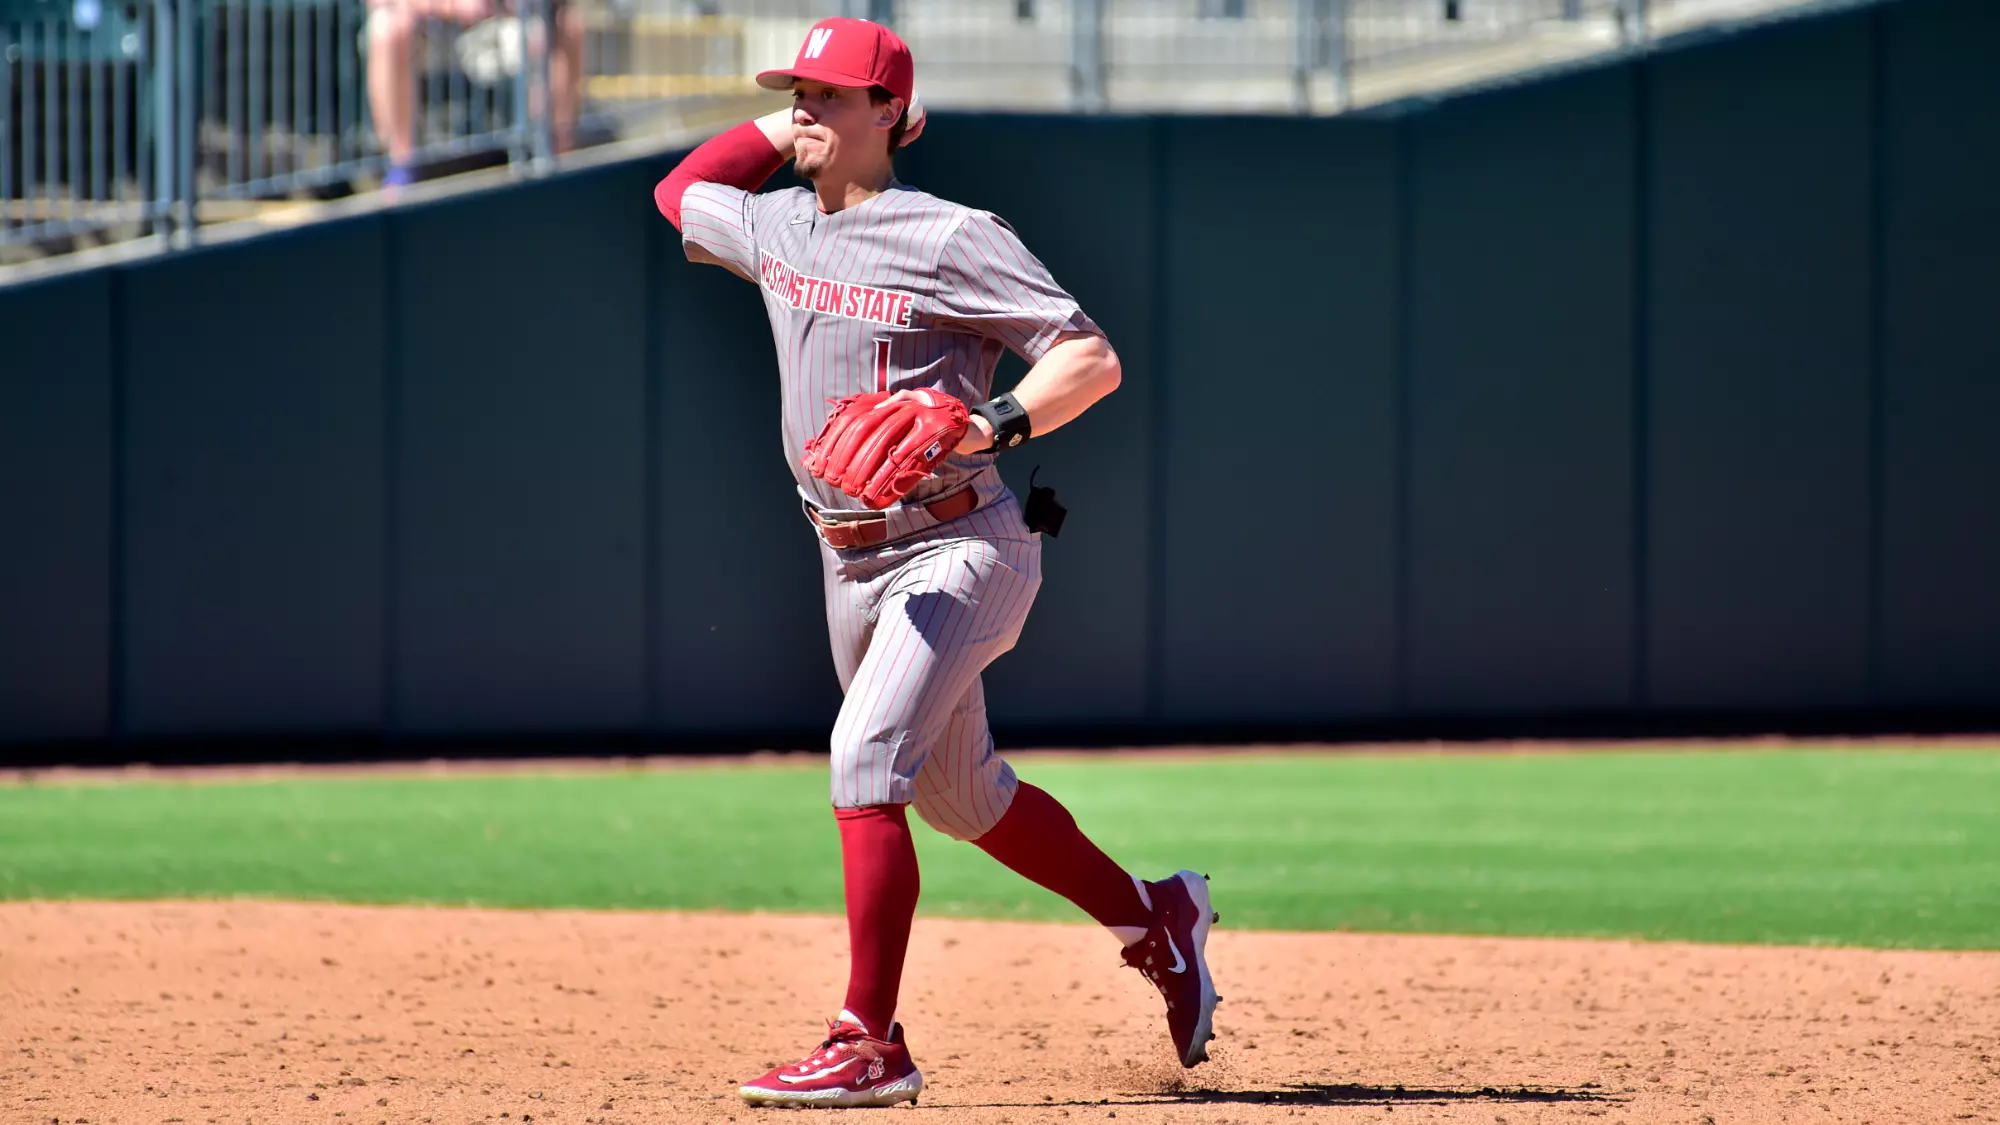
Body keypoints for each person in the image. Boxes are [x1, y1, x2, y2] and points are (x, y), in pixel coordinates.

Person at [651, 17, 1222, 1109]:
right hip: (847, 559)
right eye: (795, 92)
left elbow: (1089, 357)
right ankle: (1155, 917)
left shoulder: (953, 235)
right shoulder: (776, 225)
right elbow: (681, 194)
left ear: (889, 113)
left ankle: (869, 1041)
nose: (804, 107)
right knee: (964, 799)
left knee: (865, 760)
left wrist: (992, 421)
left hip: (960, 544)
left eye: (829, 94)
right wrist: (791, 125)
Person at [364, 0, 584, 187]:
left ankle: (555, 153)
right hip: (427, 24)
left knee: (567, 24)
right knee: (386, 30)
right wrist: (448, 6)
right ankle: (402, 165)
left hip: (497, 21)